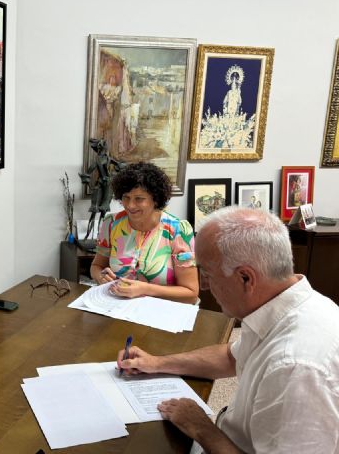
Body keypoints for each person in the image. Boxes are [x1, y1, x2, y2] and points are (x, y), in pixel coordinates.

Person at [118, 207, 339, 453]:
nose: (202, 285)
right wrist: (156, 363)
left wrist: (201, 427)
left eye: (209, 275)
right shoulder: (286, 304)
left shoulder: (296, 367)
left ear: (246, 278)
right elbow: (231, 356)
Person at [90, 161, 199, 303]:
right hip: (118, 309)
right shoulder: (111, 223)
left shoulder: (178, 230)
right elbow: (96, 266)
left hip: (162, 313)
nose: (130, 205)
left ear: (155, 199)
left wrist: (146, 289)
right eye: (126, 197)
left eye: (139, 199)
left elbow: (190, 293)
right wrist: (100, 276)